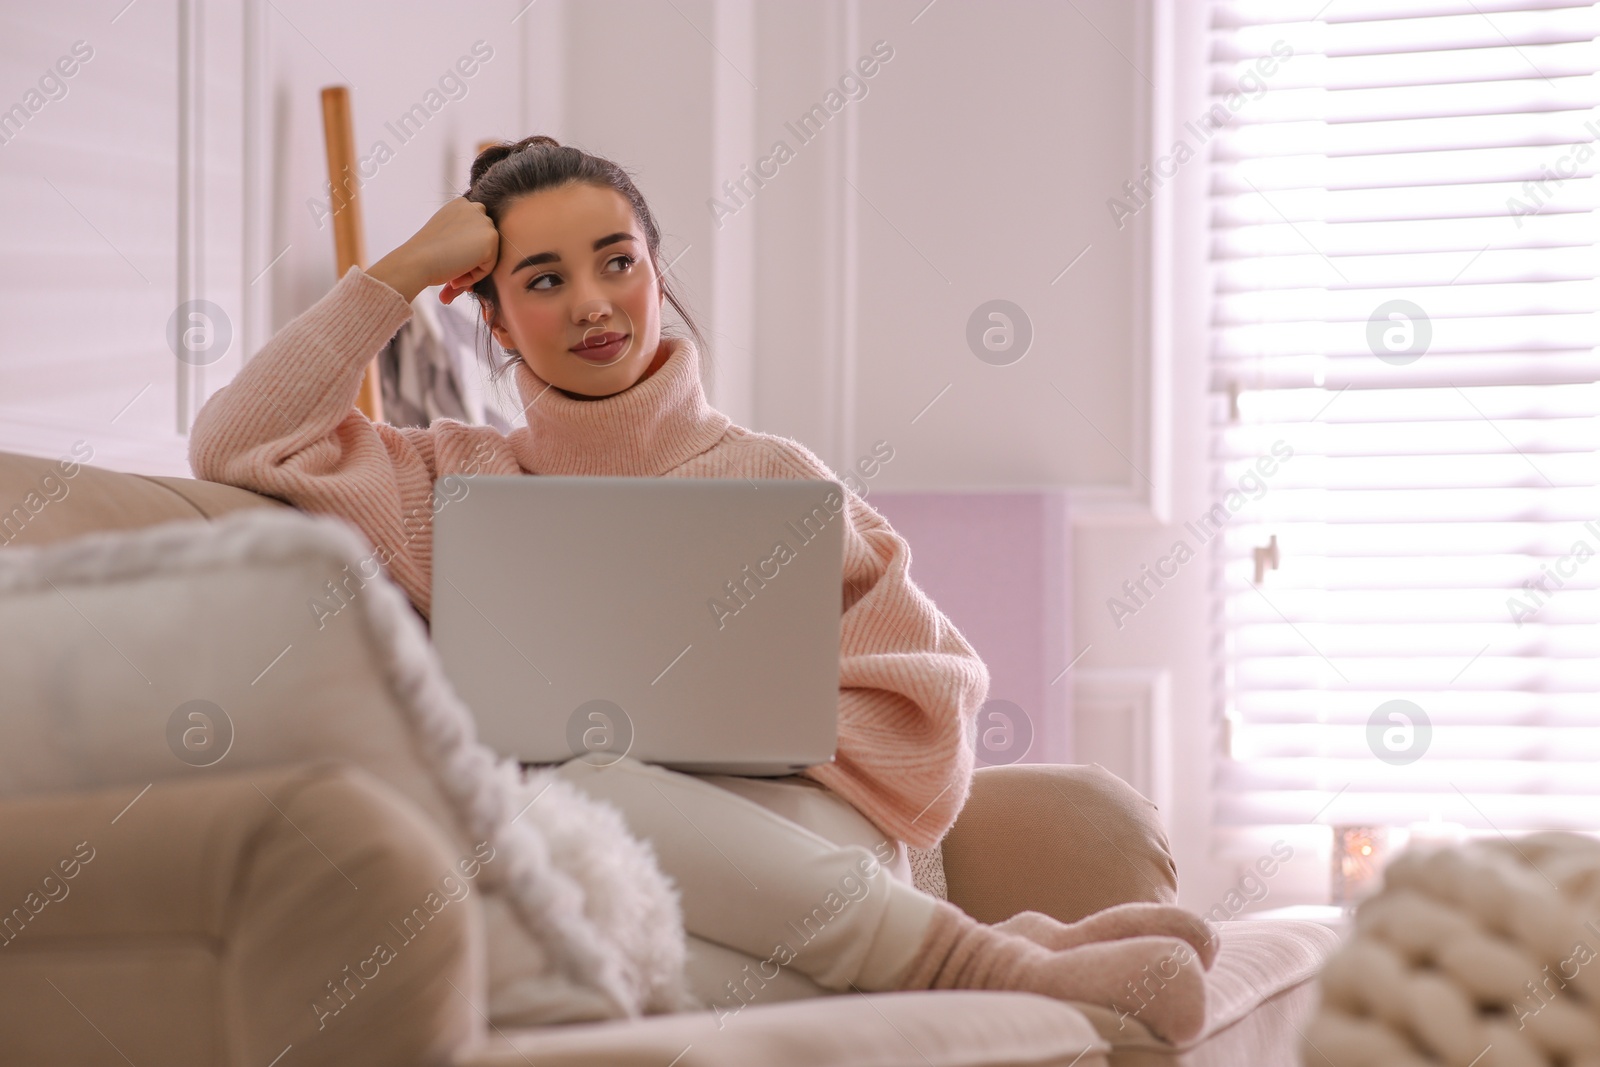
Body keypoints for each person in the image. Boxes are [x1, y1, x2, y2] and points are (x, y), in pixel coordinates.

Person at [188, 135, 1215, 1043]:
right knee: (555, 943)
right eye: (541, 280)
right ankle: (1003, 950)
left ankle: (986, 965)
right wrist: (400, 271)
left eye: (617, 262)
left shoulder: (777, 477)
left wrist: (749, 736)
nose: (591, 301)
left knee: (576, 775)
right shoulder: (447, 482)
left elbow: (930, 701)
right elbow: (237, 440)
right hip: (624, 872)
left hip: (809, 835)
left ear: (656, 271)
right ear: (492, 315)